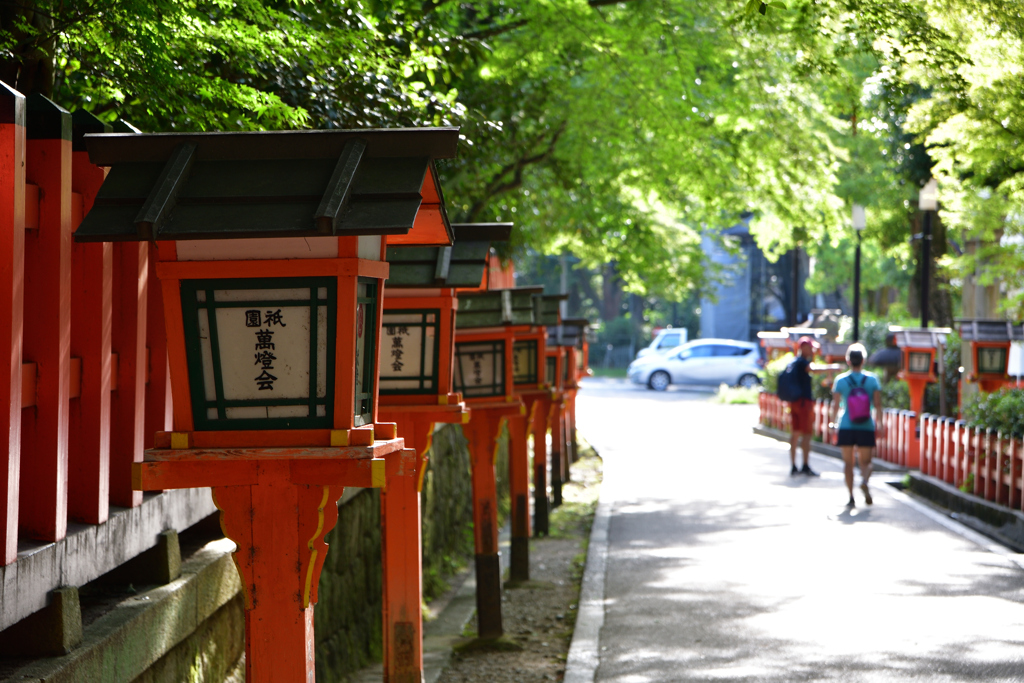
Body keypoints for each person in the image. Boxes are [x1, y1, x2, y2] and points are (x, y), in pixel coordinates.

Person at [830, 342, 883, 508]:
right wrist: (880, 424)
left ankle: (851, 496)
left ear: (848, 361)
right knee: (866, 462)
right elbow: (878, 405)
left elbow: (835, 405)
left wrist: (832, 423)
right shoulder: (872, 380)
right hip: (866, 425)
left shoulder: (841, 380)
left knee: (848, 463)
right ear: (863, 360)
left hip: (846, 425)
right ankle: (865, 481)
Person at [788, 336, 819, 477]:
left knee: (795, 434)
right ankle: (805, 465)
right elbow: (814, 370)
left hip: (794, 402)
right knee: (806, 434)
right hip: (803, 404)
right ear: (804, 348)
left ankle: (794, 465)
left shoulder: (793, 362)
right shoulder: (802, 363)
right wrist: (834, 368)